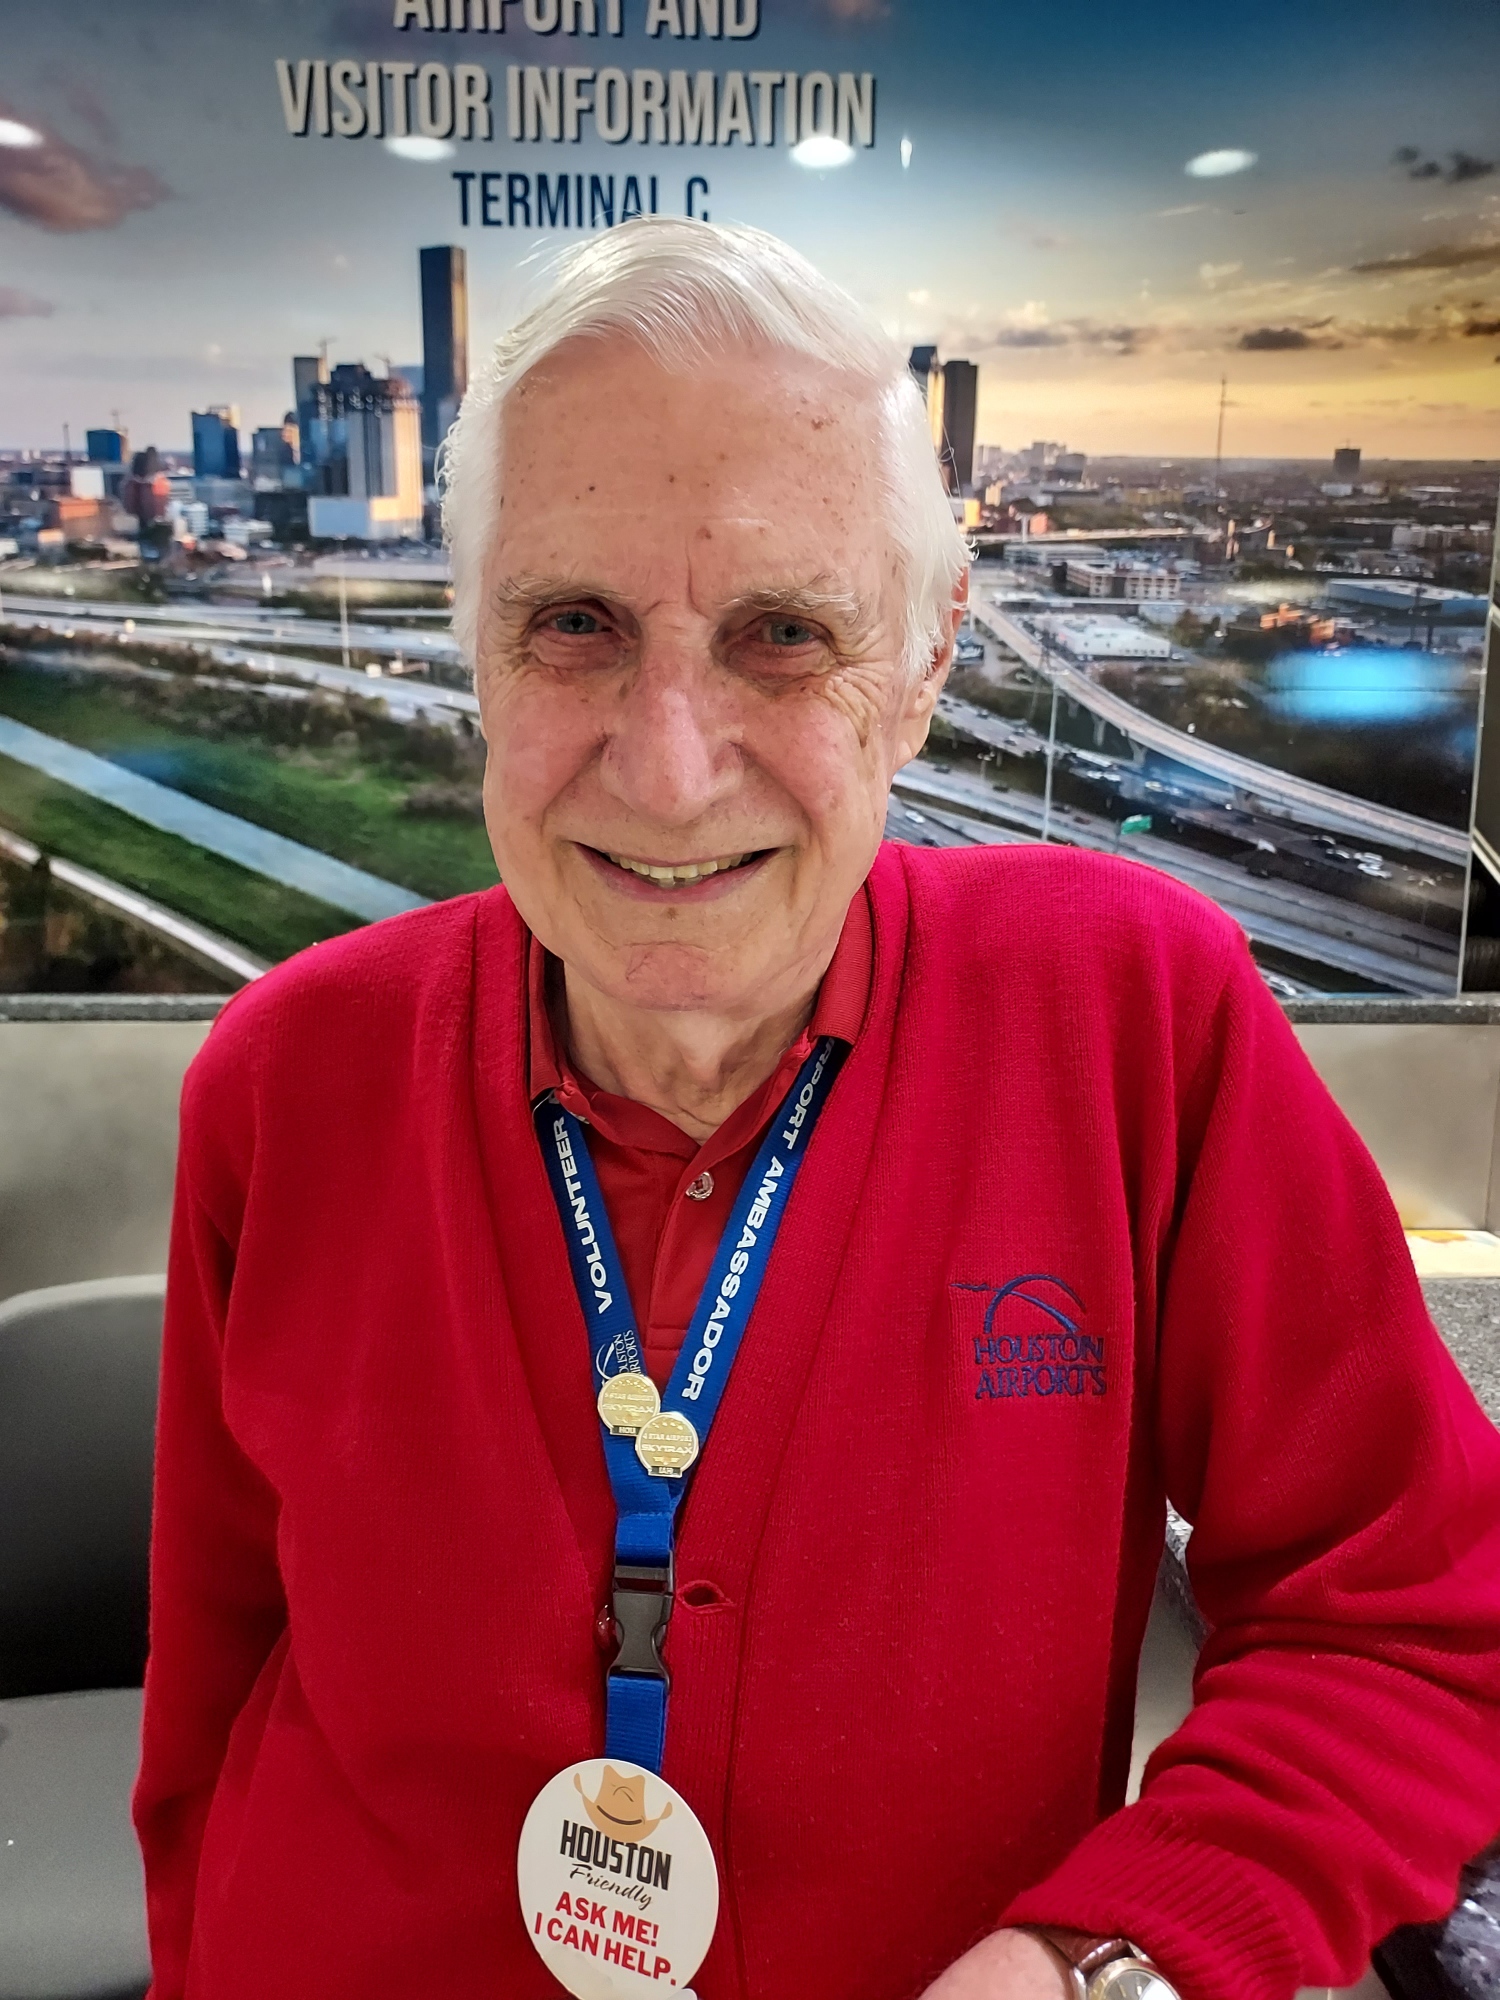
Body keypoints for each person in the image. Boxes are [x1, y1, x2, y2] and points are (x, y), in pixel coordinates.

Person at [134, 219, 1500, 2000]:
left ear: (925, 666)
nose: (671, 763)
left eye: (784, 635)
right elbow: (206, 1721)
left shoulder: (1128, 1024)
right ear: (475, 645)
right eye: (573, 627)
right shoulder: (287, 1079)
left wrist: (1105, 1964)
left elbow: (1409, 1621)